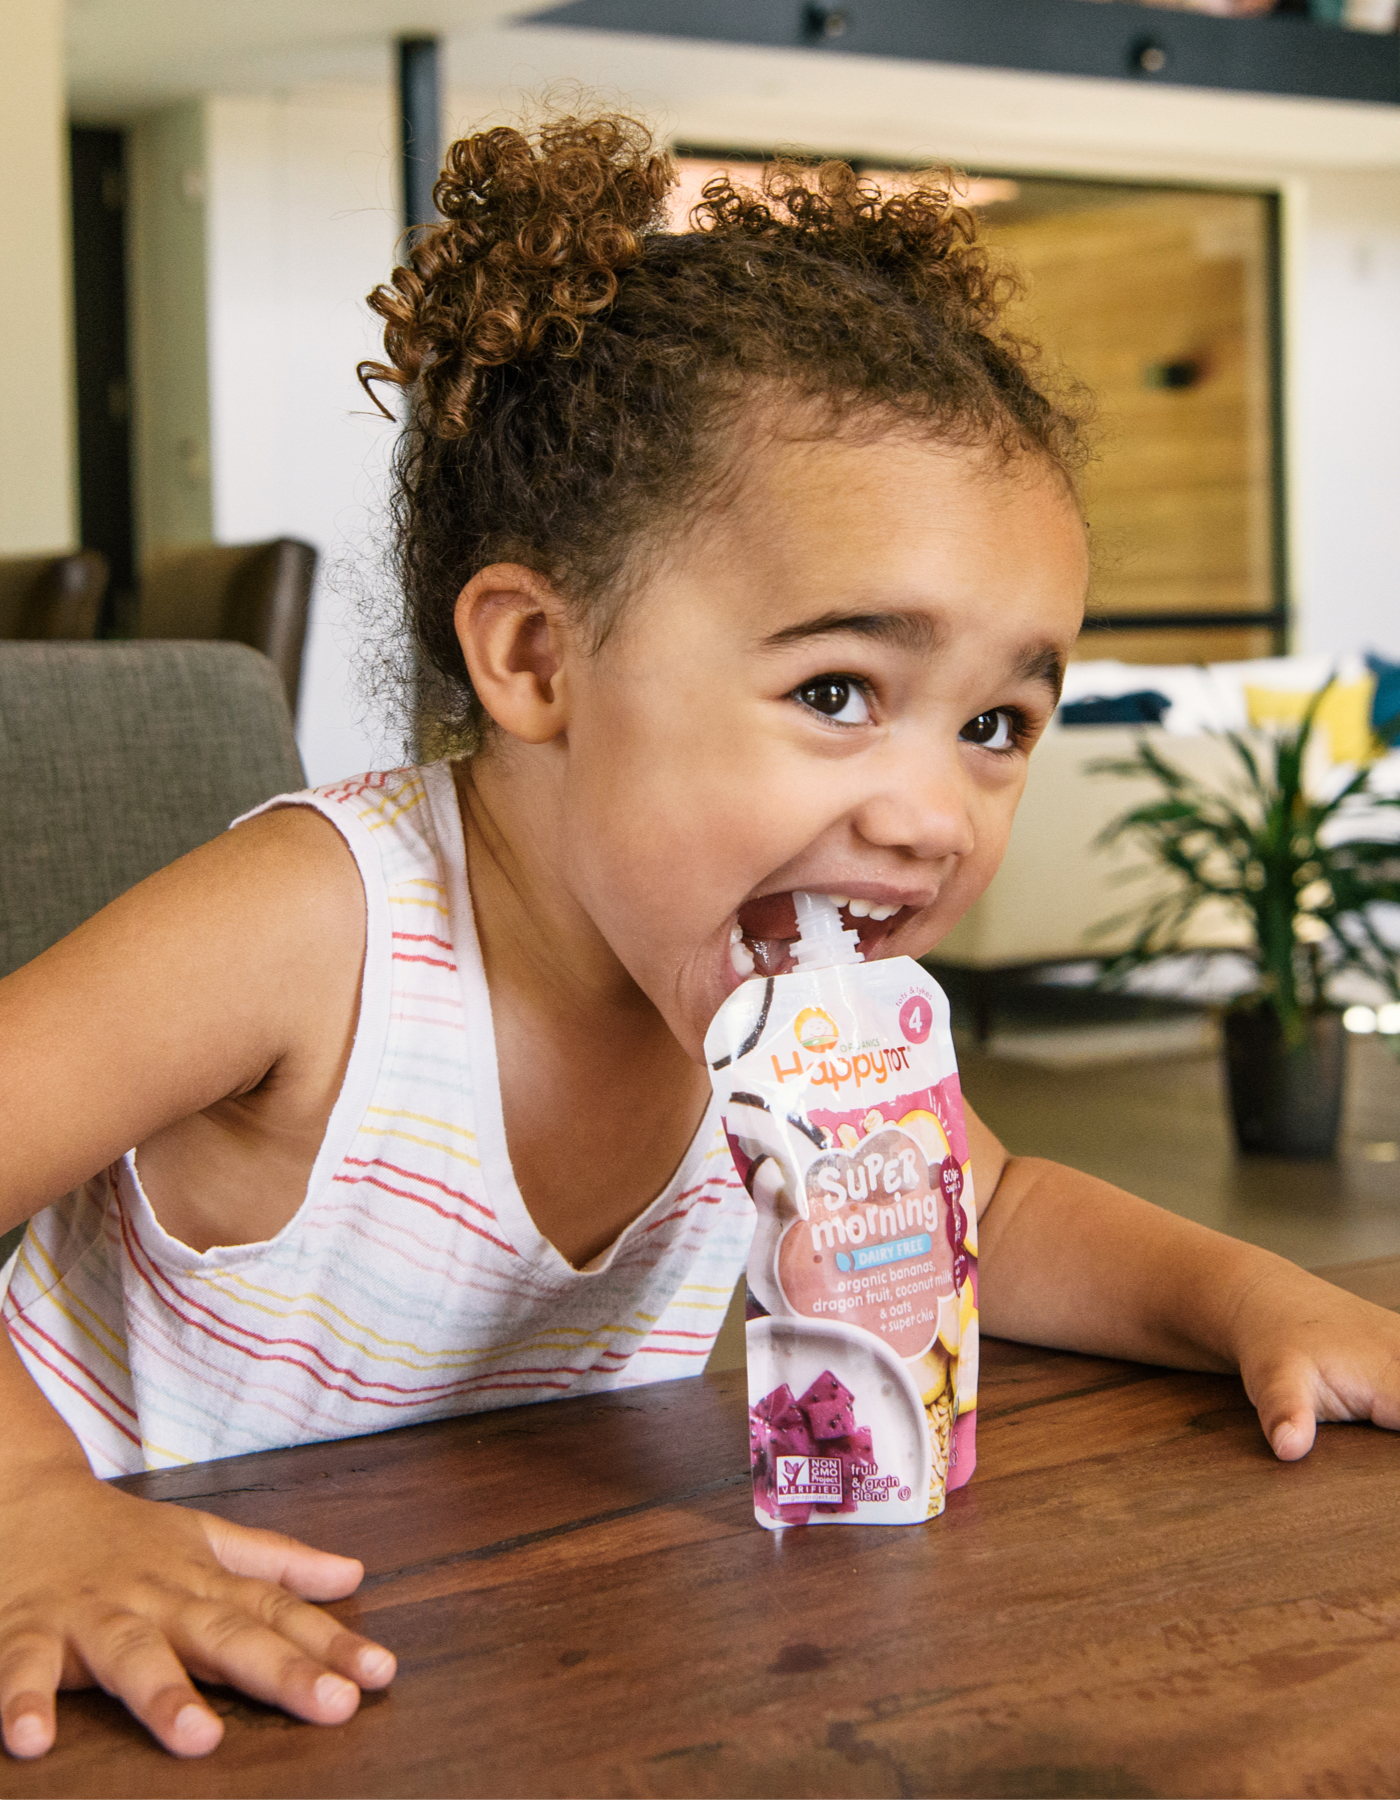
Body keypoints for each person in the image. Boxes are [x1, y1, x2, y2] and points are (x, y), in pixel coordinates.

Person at [2, 109, 1397, 1765]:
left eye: (1000, 722)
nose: (935, 816)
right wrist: (31, 1506)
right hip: (103, 1644)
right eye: (835, 693)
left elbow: (990, 1208)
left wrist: (1254, 1300)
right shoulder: (318, 930)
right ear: (536, 659)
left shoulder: (784, 1010)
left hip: (497, 1660)